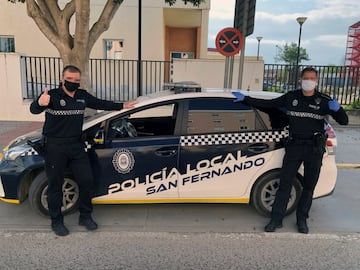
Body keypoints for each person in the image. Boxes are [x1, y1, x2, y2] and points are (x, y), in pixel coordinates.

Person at [232, 67, 348, 234]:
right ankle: (276, 219)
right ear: (301, 80)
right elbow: (268, 105)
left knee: (309, 186)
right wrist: (246, 99)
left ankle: (302, 220)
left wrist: (338, 109)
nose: (309, 81)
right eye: (306, 78)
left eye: (312, 78)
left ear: (316, 81)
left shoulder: (324, 101)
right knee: (285, 184)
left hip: (314, 149)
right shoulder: (291, 97)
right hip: (294, 146)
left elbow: (344, 121)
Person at [30, 65, 137, 236]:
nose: (73, 82)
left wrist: (123, 105)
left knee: (87, 181)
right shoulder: (51, 96)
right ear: (62, 78)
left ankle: (85, 216)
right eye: (69, 79)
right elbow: (34, 109)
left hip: (76, 146)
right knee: (55, 185)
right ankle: (56, 221)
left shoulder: (81, 96)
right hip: (55, 147)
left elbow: (101, 103)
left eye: (76, 80)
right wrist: (39, 103)